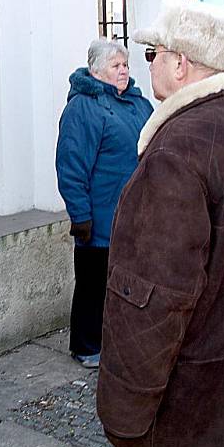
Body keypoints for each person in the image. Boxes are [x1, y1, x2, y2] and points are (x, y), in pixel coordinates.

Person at [97, 0, 224, 447]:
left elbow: (148, 301)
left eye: (153, 54)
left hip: (191, 410)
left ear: (180, 64)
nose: (147, 65)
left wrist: (124, 419)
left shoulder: (177, 152)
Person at [55, 39, 153, 369]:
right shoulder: (83, 108)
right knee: (93, 287)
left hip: (135, 216)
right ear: (97, 71)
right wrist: (80, 215)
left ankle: (117, 340)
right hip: (99, 220)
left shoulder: (138, 104)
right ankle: (86, 345)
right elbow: (71, 164)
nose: (124, 70)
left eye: (125, 64)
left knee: (127, 286)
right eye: (116, 65)